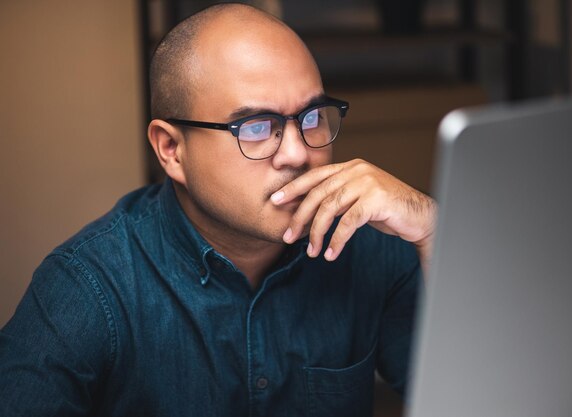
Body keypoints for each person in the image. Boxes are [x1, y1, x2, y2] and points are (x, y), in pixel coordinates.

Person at [0, 3, 436, 416]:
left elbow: (483, 393)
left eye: (311, 117)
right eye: (257, 127)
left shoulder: (367, 244)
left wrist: (434, 231)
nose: (297, 153)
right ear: (171, 149)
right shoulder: (88, 289)